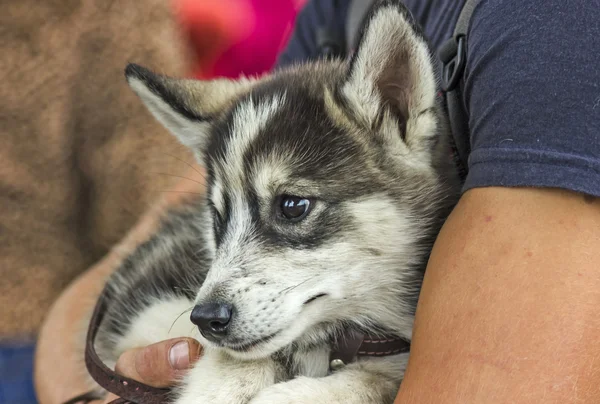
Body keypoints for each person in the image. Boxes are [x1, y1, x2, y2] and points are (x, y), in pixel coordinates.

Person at [36, 0, 600, 403]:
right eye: (222, 219)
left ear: (401, 111)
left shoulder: (549, 28)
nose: (214, 297)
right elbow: (76, 328)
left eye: (293, 208)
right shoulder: (338, 11)